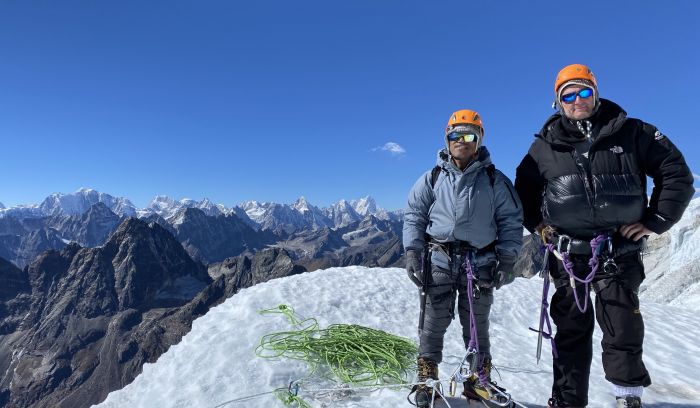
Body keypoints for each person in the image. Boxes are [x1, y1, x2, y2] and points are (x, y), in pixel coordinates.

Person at [514, 64, 695, 408]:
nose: (577, 99)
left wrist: (656, 220)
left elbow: (676, 173)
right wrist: (538, 224)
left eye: (584, 91)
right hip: (568, 256)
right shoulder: (544, 147)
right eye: (569, 94)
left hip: (617, 252)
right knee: (569, 332)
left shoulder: (634, 132)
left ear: (595, 93)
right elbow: (522, 190)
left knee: (622, 328)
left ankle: (628, 398)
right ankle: (567, 401)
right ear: (558, 102)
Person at [403, 109, 523, 407]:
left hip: (480, 262)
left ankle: (478, 381)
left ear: (479, 139)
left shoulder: (495, 180)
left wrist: (507, 259)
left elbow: (510, 220)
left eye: (469, 135)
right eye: (456, 134)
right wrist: (412, 251)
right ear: (447, 138)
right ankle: (427, 379)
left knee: (476, 324)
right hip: (439, 260)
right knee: (433, 322)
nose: (462, 140)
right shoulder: (432, 178)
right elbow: (414, 215)